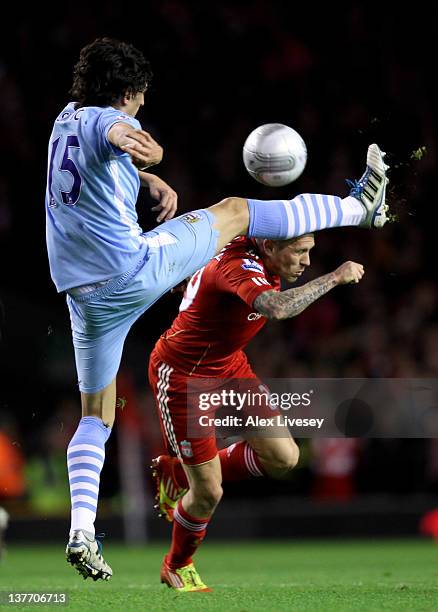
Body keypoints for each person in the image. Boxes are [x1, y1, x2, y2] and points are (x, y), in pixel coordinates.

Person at [45, 36, 389, 581]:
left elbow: (92, 165)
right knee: (233, 211)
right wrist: (149, 153)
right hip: (131, 273)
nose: (139, 108)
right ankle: (358, 207)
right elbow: (116, 133)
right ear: (130, 92)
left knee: (95, 416)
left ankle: (81, 532)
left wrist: (142, 177)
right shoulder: (104, 121)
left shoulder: (64, 120)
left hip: (83, 299)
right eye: (139, 99)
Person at [148, 232, 365, 591]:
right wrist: (335, 277)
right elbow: (277, 308)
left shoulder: (254, 246)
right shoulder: (239, 265)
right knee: (210, 493)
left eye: (310, 252)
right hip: (185, 377)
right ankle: (177, 564)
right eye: (300, 252)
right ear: (270, 246)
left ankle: (180, 474)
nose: (307, 262)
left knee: (285, 456)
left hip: (230, 366)